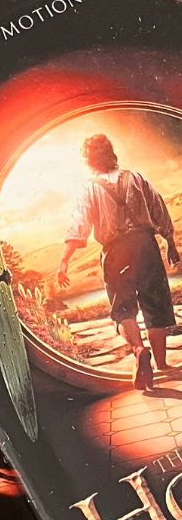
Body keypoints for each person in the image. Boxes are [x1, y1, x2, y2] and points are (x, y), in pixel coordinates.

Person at [58, 133, 181, 391]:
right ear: (111, 153)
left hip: (115, 252)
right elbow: (159, 208)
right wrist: (170, 242)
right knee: (155, 305)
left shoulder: (89, 188)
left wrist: (65, 260)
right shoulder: (135, 177)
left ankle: (138, 350)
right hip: (146, 246)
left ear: (89, 160)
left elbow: (79, 224)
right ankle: (161, 363)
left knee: (123, 309)